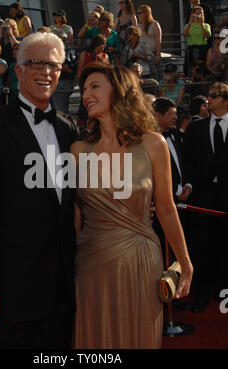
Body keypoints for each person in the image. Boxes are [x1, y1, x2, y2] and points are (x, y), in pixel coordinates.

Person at [0, 32, 77, 349]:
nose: (46, 72)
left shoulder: (69, 128)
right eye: (36, 62)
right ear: (19, 69)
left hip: (62, 295)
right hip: (9, 294)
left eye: (53, 64)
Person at [72, 63, 193, 349]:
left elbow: (165, 208)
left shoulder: (153, 144)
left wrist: (185, 263)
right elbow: (75, 214)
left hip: (140, 261)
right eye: (83, 89)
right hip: (90, 263)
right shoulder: (78, 151)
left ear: (119, 92)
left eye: (94, 86)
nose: (85, 95)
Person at [183, 82, 228, 313]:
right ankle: (200, 294)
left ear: (226, 100)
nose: (208, 99)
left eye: (214, 95)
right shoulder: (195, 128)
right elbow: (187, 162)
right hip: (201, 200)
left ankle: (223, 292)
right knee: (201, 247)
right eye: (208, 95)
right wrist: (189, 184)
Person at [51, 32, 77, 114]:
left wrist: (66, 69)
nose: (61, 41)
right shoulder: (51, 52)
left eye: (64, 39)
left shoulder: (71, 51)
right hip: (56, 81)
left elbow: (73, 68)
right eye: (58, 39)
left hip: (67, 81)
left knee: (63, 108)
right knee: (58, 108)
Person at [183, 6, 211, 76]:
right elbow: (185, 34)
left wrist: (201, 24)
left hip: (202, 49)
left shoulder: (206, 25)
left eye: (200, 13)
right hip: (192, 49)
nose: (199, 15)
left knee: (203, 69)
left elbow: (207, 36)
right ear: (193, 14)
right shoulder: (187, 25)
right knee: (191, 69)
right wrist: (190, 23)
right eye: (197, 13)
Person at [137, 5, 162, 80]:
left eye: (140, 13)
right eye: (138, 13)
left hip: (153, 53)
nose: (138, 15)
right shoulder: (138, 26)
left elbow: (158, 40)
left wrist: (158, 54)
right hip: (142, 55)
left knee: (155, 76)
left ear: (146, 13)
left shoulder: (154, 24)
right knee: (143, 77)